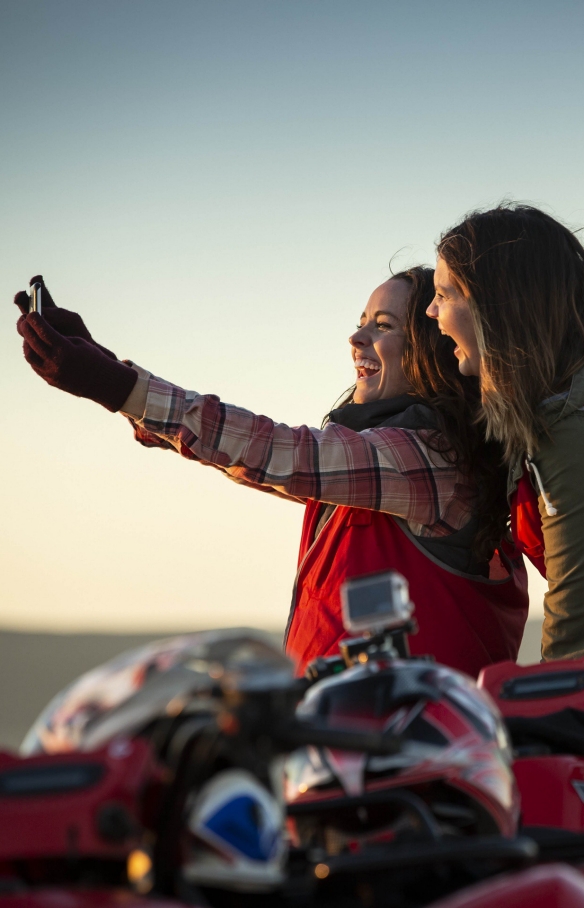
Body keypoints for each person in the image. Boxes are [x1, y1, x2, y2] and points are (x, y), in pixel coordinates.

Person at [14, 269, 527, 677]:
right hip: (355, 740)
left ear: (433, 349)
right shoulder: (382, 463)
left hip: (410, 751)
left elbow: (276, 451)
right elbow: (254, 461)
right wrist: (102, 367)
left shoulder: (426, 458)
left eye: (383, 326)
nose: (356, 337)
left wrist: (116, 384)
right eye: (362, 321)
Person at [427, 202, 584, 662]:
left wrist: (552, 697)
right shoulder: (549, 414)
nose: (432, 311)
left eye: (445, 294)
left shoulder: (566, 426)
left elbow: (577, 609)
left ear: (497, 305)